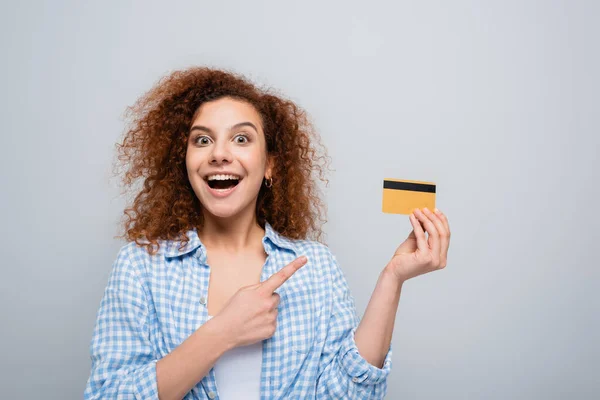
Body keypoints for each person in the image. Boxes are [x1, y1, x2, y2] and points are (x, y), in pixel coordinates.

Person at [84, 67, 451, 400]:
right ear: (183, 161)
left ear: (270, 165)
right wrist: (223, 332)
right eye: (202, 140)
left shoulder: (315, 266)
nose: (219, 154)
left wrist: (393, 278)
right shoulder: (140, 266)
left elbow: (347, 395)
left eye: (241, 139)